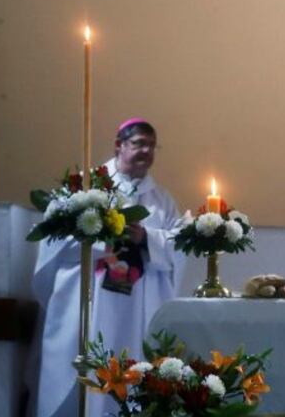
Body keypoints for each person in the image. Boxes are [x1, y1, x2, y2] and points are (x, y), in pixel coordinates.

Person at [30, 118, 185, 417]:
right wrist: (102, 239)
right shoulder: (87, 187)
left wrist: (146, 238)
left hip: (139, 307)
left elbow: (177, 246)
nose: (146, 151)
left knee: (134, 375)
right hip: (90, 300)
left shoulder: (162, 200)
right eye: (139, 143)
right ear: (119, 145)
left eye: (152, 146)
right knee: (84, 371)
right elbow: (54, 241)